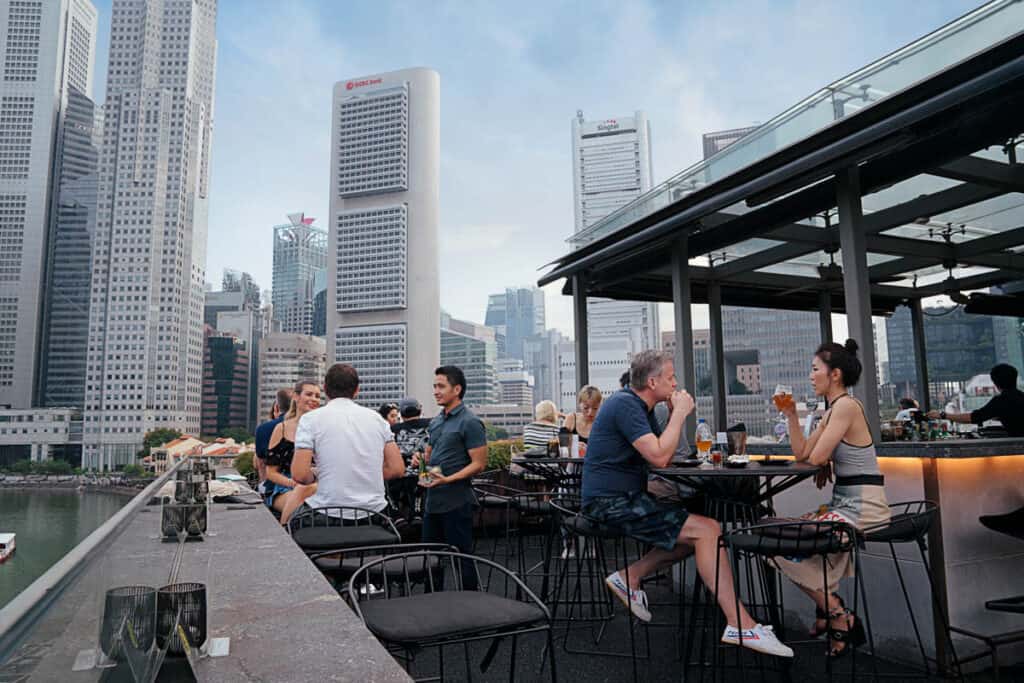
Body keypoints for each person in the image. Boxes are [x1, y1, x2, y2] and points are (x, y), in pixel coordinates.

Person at [582, 350, 793, 657]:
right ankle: (741, 624)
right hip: (610, 502)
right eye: (671, 377)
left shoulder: (640, 407)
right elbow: (659, 456)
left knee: (698, 535)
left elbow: (663, 455)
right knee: (707, 529)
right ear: (652, 381)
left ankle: (630, 576)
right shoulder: (626, 405)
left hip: (623, 497)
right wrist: (679, 412)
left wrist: (671, 412)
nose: (676, 382)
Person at [775, 339, 890, 658]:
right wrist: (791, 416)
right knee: (776, 539)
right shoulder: (833, 410)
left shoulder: (847, 407)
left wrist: (823, 461)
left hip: (864, 508)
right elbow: (803, 453)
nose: (810, 376)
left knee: (781, 540)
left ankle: (837, 615)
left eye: (815, 370)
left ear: (834, 374)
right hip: (844, 506)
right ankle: (836, 613)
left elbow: (816, 456)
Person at [292, 364, 405, 518]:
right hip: (375, 514)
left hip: (327, 514)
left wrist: (318, 474)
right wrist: (363, 473)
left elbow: (299, 475)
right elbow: (397, 469)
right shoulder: (377, 419)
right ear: (357, 389)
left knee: (290, 524)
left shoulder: (310, 420)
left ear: (325, 388)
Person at [414, 366, 488, 590]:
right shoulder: (437, 421)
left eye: (441, 386)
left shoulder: (470, 422)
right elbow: (430, 454)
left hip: (457, 501)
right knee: (431, 560)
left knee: (462, 559)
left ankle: (471, 607)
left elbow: (479, 464)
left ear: (457, 389)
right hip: (433, 501)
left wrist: (448, 479)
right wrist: (419, 461)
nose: (436, 391)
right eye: (435, 386)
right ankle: (433, 607)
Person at [265, 382, 321, 524]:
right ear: (296, 397)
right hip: (285, 488)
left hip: (318, 485)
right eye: (309, 394)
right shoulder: (281, 428)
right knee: (304, 491)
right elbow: (270, 472)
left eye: (318, 396)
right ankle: (286, 531)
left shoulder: (324, 427)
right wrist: (293, 483)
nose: (314, 399)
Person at [927, 363, 1024, 437]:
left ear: (996, 383)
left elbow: (974, 417)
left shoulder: (1001, 401)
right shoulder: (1020, 396)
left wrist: (943, 415)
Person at [390, 397, 432, 522]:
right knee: (423, 478)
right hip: (425, 475)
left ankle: (396, 514)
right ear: (419, 410)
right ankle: (417, 512)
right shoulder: (431, 424)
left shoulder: (393, 429)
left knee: (389, 486)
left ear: (401, 414)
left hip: (400, 475)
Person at [254, 388, 294, 496]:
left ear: (277, 407)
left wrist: (263, 485)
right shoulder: (307, 425)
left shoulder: (264, 429)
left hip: (273, 487)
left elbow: (261, 463)